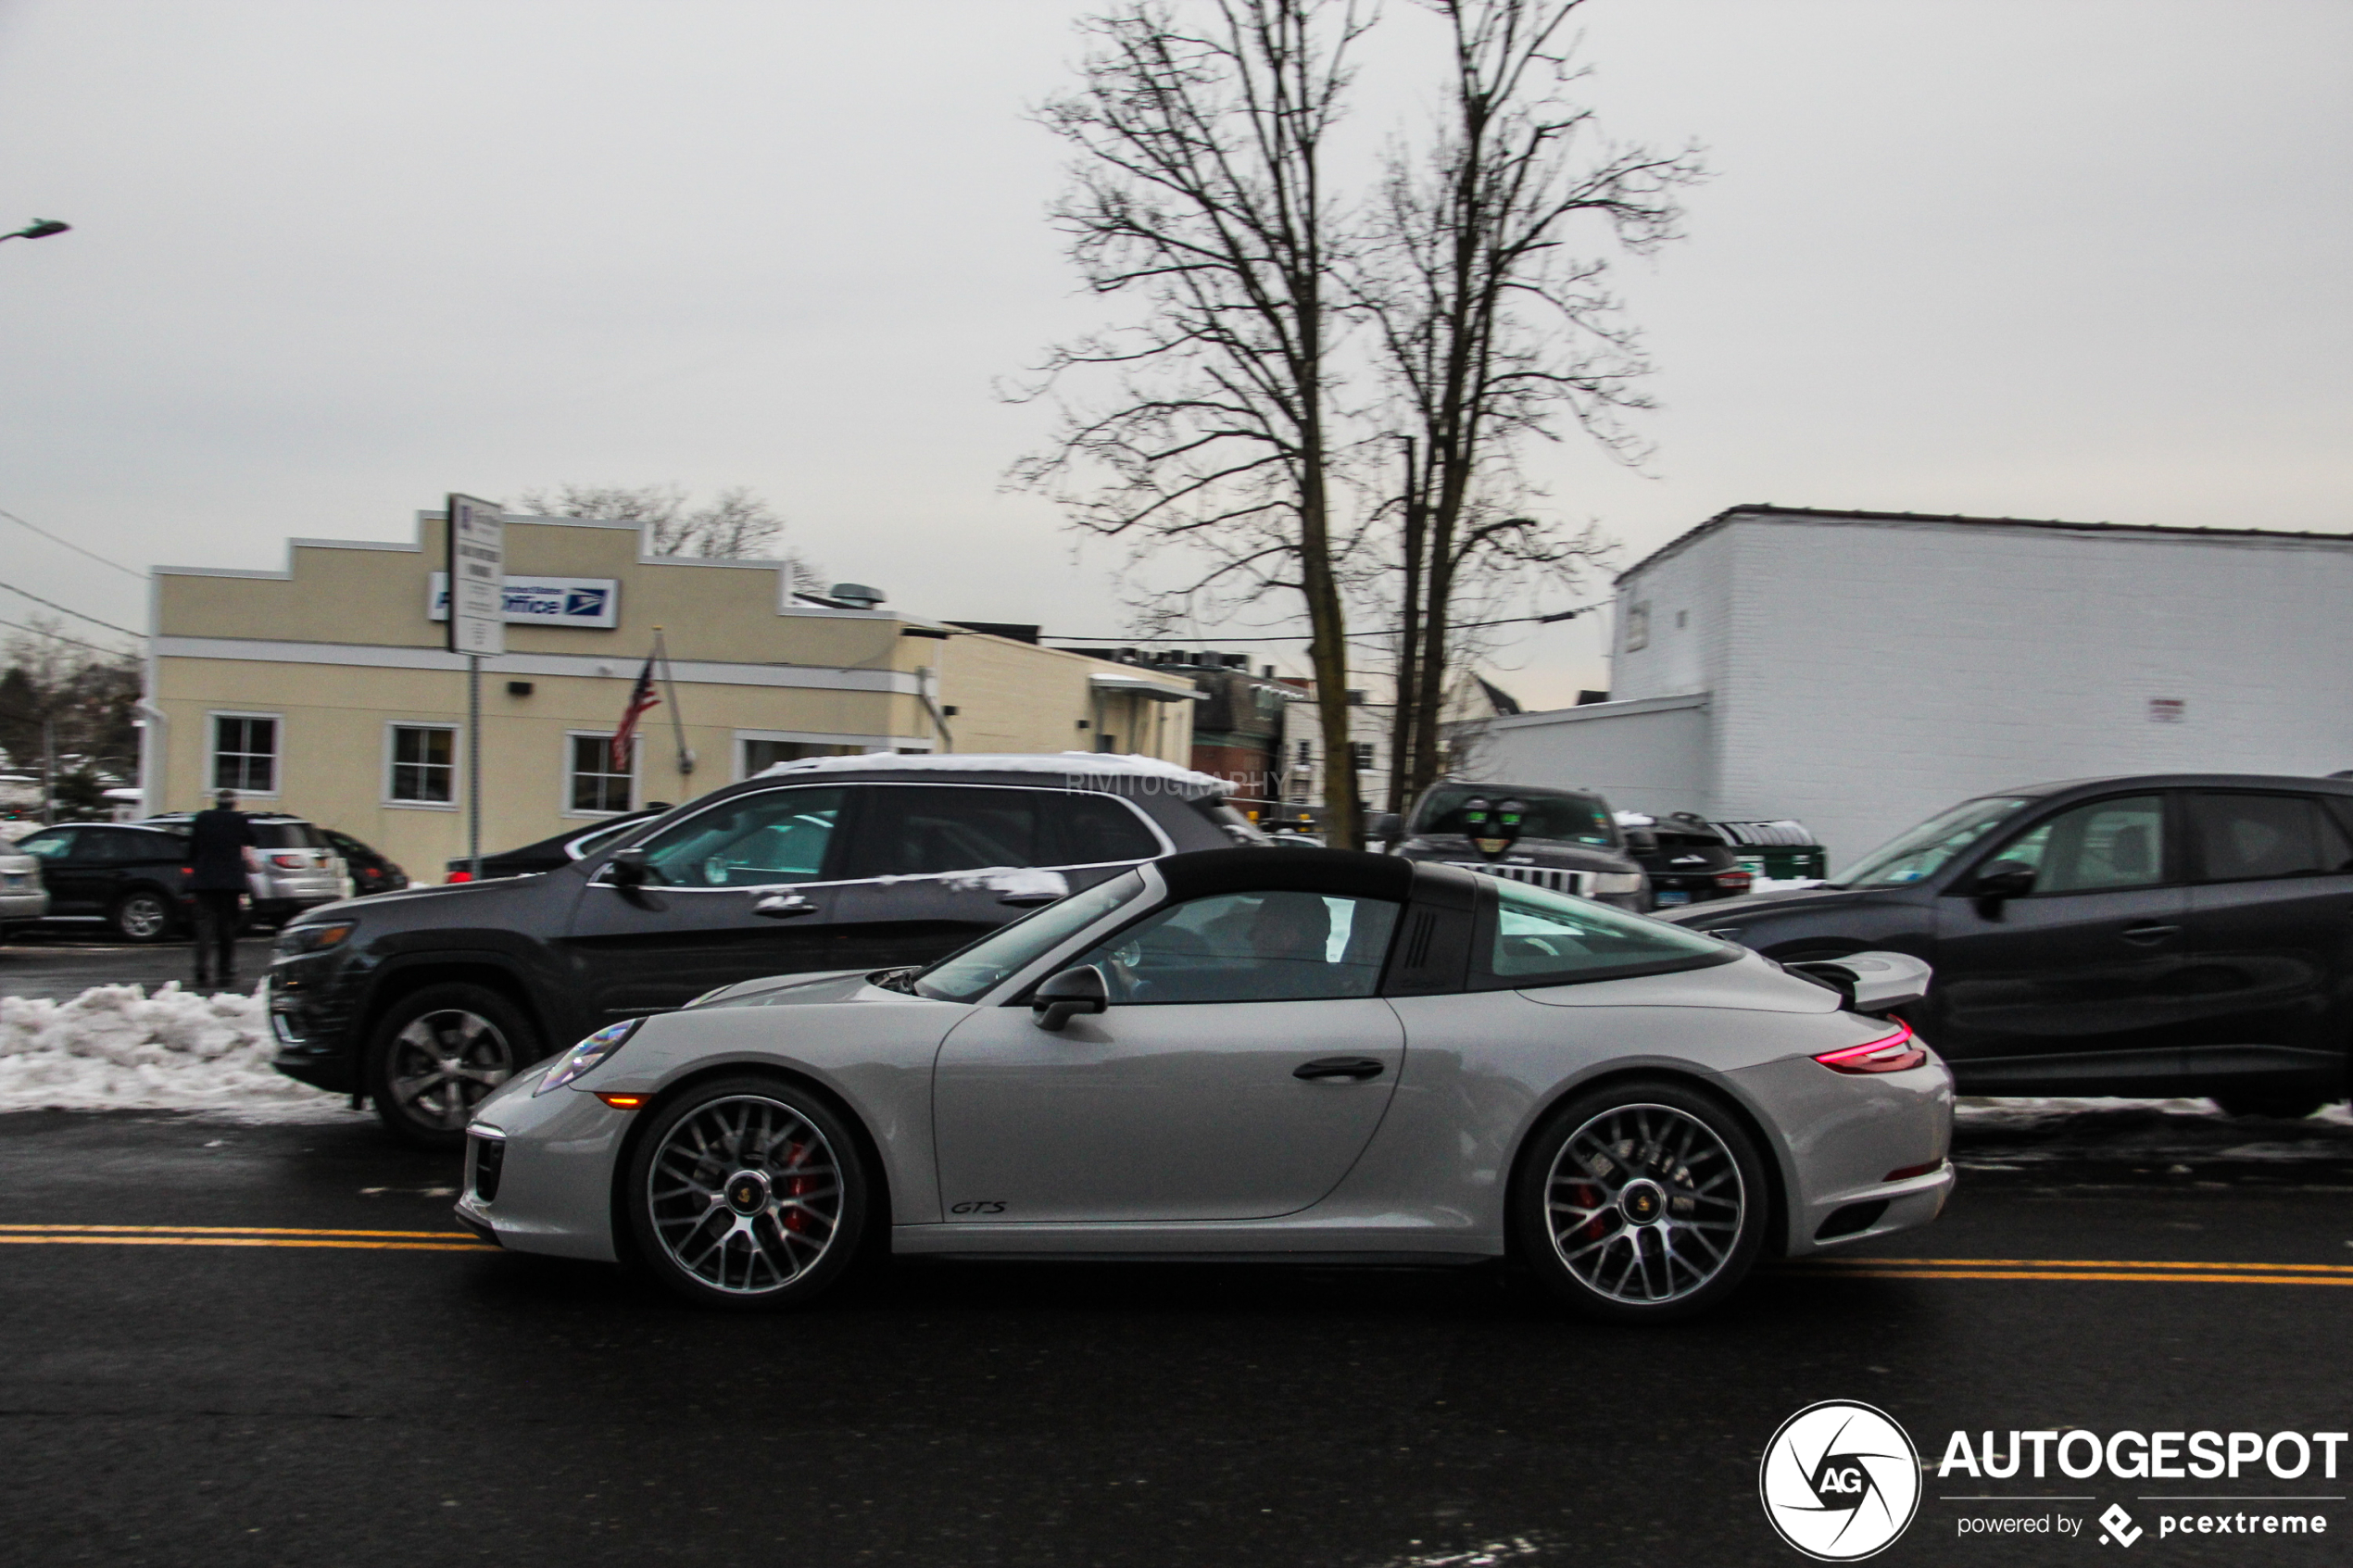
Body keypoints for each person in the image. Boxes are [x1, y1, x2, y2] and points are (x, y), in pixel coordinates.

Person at [187, 788, 259, 990]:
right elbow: (252, 839)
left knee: (204, 926)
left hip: (204, 881)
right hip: (230, 881)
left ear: (216, 802)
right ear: (233, 803)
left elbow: (193, 847)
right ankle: (225, 971)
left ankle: (201, 969)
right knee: (226, 926)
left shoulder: (202, 818)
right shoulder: (239, 820)